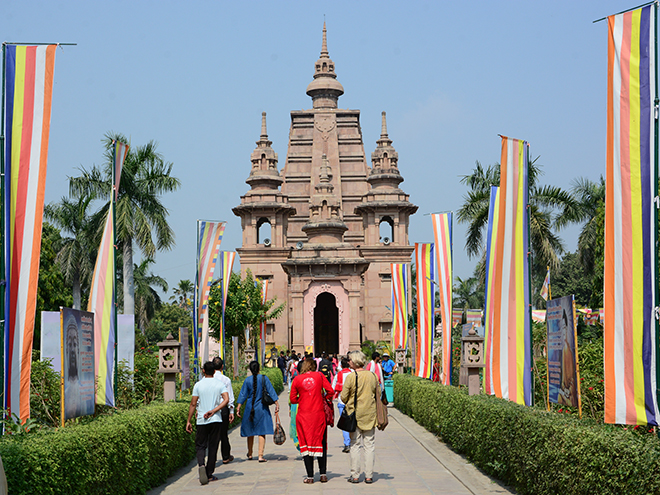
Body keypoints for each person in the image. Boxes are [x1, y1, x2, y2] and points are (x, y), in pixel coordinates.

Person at [290, 357, 334, 484]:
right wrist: (323, 398)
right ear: (314, 367)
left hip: (303, 415)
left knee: (306, 444)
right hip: (318, 415)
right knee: (321, 443)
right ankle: (323, 474)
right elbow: (330, 391)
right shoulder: (320, 376)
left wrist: (302, 399)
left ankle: (310, 476)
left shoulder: (297, 379)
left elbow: (293, 399)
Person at [186, 361, 229, 485]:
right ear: (214, 371)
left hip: (201, 420)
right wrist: (215, 410)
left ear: (203, 371)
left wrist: (188, 420)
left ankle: (201, 464)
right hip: (215, 419)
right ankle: (209, 474)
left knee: (200, 445)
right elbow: (226, 399)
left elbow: (193, 403)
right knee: (213, 446)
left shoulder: (198, 385)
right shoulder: (219, 384)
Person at [341, 350, 379, 484]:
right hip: (370, 414)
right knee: (369, 446)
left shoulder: (352, 377)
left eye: (350, 360)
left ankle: (355, 475)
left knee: (355, 445)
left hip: (354, 415)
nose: (348, 362)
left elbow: (343, 397)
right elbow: (377, 393)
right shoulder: (372, 376)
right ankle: (369, 475)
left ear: (355, 361)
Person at [235, 361, 280, 462]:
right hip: (261, 408)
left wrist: (238, 407)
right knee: (261, 431)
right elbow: (271, 391)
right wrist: (276, 403)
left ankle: (250, 453)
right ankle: (260, 455)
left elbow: (243, 395)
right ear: (259, 368)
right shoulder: (264, 378)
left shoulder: (247, 380)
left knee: (250, 431)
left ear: (250, 370)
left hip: (249, 408)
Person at [212, 356, 235, 464]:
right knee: (223, 434)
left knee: (212, 435)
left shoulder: (206, 380)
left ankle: (212, 458)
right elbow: (229, 397)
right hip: (223, 408)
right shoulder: (226, 380)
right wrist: (231, 411)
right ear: (222, 366)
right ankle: (226, 456)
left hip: (211, 409)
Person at [332, 357, 353, 453]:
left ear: (341, 366)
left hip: (341, 401)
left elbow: (332, 388)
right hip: (352, 402)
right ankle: (353, 442)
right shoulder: (353, 374)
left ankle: (347, 443)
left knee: (344, 424)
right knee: (353, 422)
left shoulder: (338, 375)